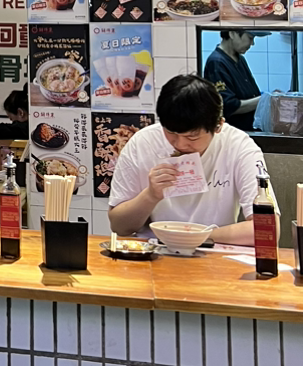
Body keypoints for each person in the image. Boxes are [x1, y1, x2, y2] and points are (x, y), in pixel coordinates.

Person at [108, 74, 278, 246]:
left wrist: (195, 236)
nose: (180, 144)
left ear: (218, 125)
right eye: (171, 133)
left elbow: (268, 229)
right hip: (154, 252)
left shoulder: (239, 147)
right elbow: (119, 227)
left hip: (215, 251)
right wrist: (151, 195)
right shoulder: (143, 143)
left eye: (192, 137)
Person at [203, 30, 262, 131]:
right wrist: (265, 100)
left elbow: (252, 94)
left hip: (248, 129)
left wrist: (269, 97)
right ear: (232, 34)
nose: (252, 43)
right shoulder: (217, 62)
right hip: (232, 132)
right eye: (250, 38)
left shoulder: (240, 59)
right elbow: (228, 106)